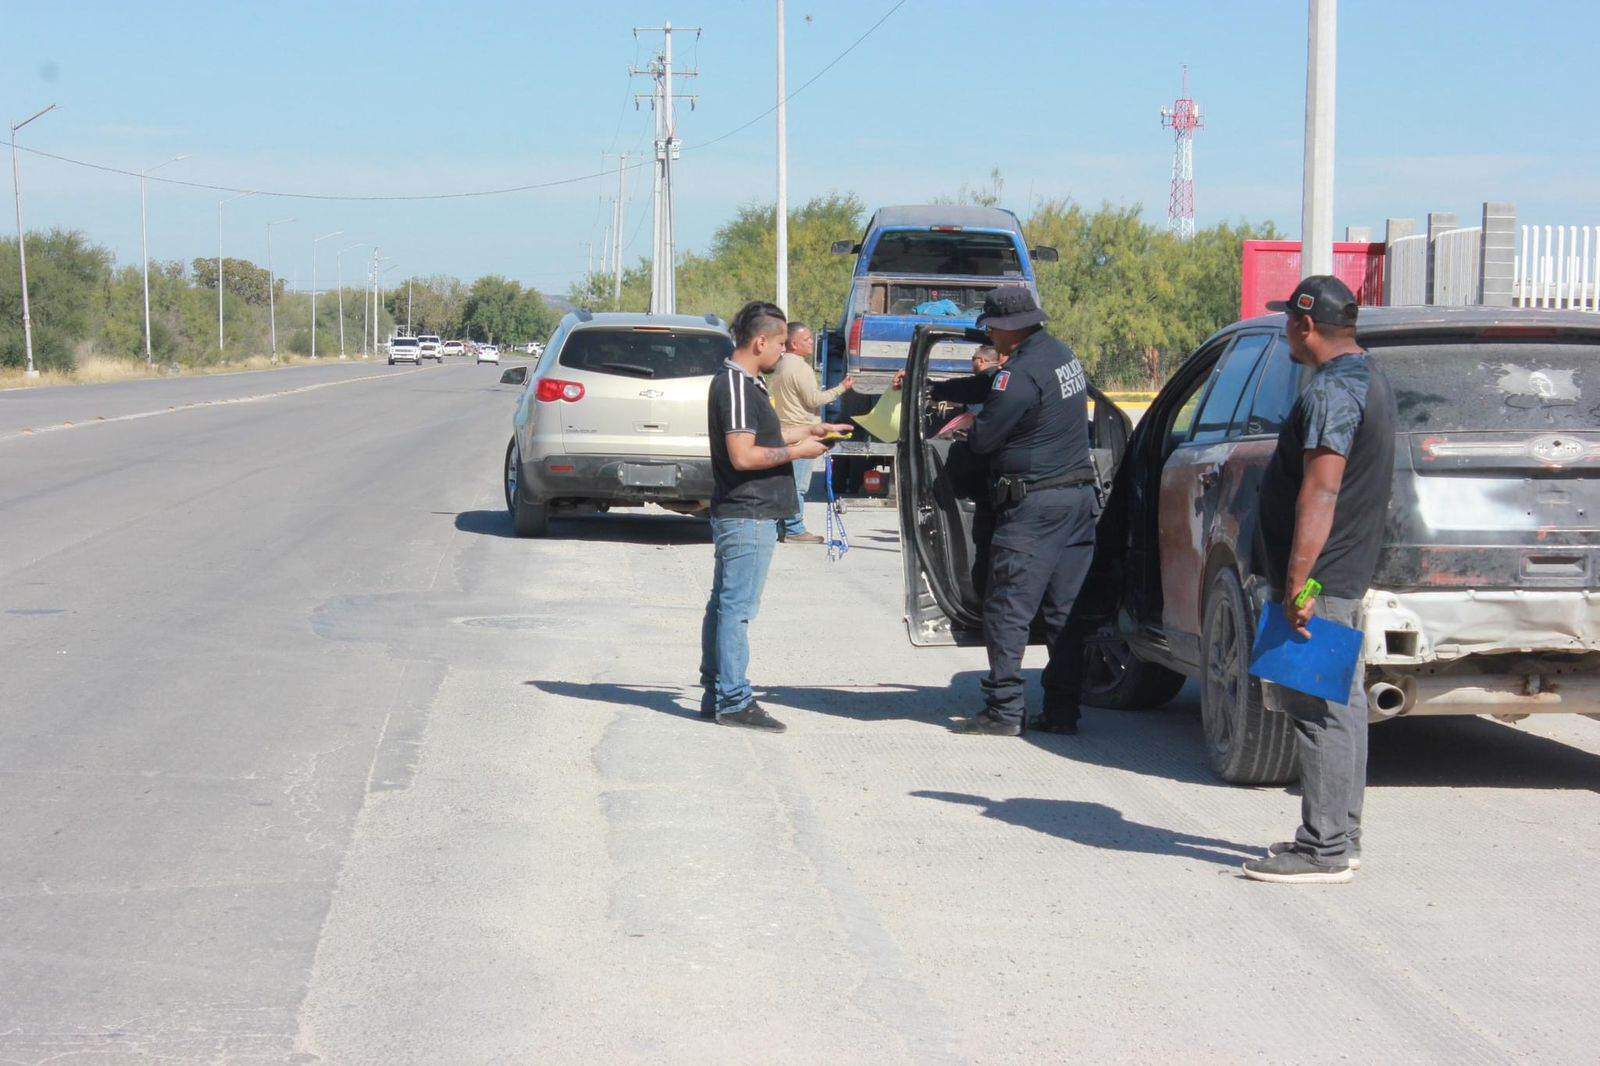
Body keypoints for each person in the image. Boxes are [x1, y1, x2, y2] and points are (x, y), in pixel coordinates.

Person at [1241, 276, 1396, 885]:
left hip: (1320, 578)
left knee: (1317, 709)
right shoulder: (1369, 375)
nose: (1286, 331)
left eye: (1288, 322)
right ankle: (1341, 835)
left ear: (1305, 325)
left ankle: (1323, 848)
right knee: (1343, 705)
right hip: (1342, 569)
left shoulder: (1334, 391)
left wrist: (1297, 582)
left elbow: (1323, 488)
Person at [935, 286, 1099, 737]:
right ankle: (1064, 710)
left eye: (990, 328)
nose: (989, 337)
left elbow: (986, 439)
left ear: (1007, 328)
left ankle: (1004, 711)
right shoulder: (1060, 355)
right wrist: (948, 388)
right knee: (1065, 612)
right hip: (1078, 501)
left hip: (1034, 508)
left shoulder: (1018, 375)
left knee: (1008, 608)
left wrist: (965, 427)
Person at [700, 302, 852, 732]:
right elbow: (743, 455)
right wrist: (798, 452)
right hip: (747, 512)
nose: (785, 352)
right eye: (782, 343)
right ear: (760, 341)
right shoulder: (735, 385)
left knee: (727, 604)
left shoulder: (748, 383)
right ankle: (732, 699)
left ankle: (718, 692)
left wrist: (809, 431)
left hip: (749, 512)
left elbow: (762, 437)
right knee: (737, 608)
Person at [765, 323, 855, 544]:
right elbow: (814, 400)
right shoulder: (800, 368)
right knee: (799, 485)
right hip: (802, 432)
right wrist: (842, 387)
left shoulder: (781, 364)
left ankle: (782, 526)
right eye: (807, 340)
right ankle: (795, 529)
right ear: (794, 344)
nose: (812, 343)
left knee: (787, 481)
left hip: (785, 430)